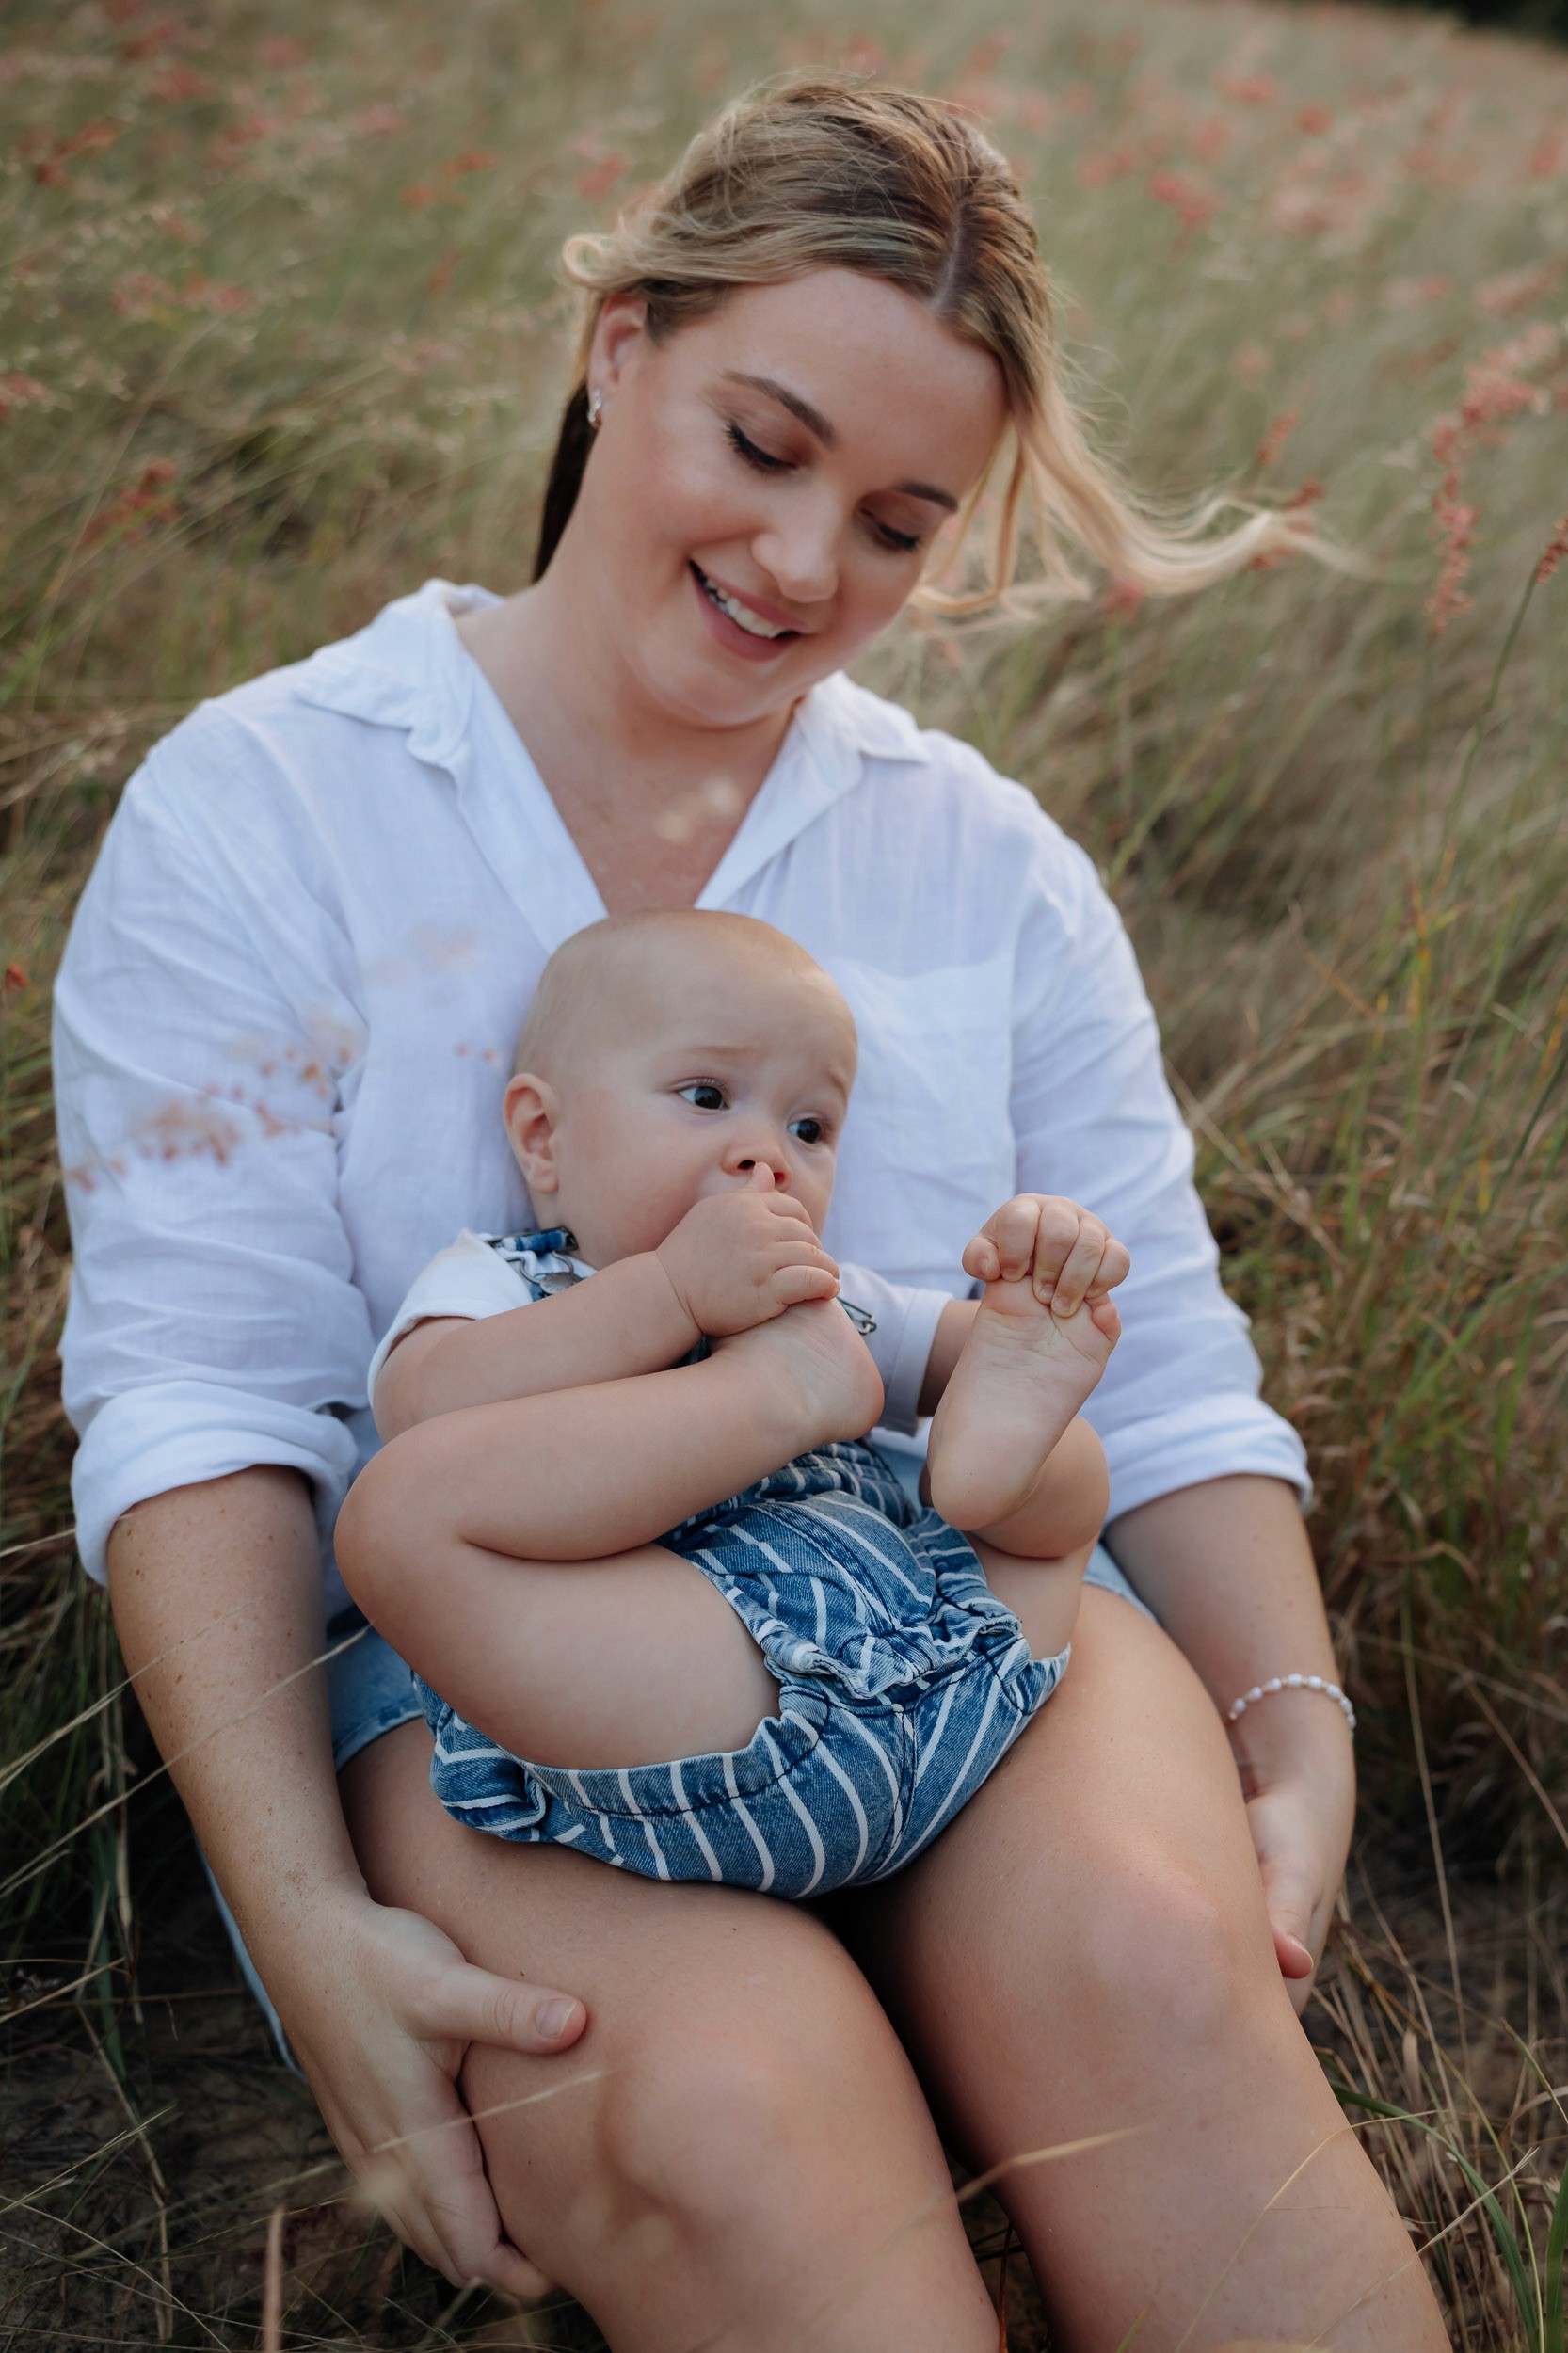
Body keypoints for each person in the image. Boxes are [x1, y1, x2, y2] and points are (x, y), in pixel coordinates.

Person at [53, 72, 1450, 2353]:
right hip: (520, 1662)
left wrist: (1296, 1717)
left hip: (959, 1576)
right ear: (620, 350)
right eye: (762, 444)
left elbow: (1167, 1360)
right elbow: (200, 1398)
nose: (811, 569)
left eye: (900, 521)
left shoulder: (981, 861)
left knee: (1144, 1969)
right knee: (723, 2120)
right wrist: (298, 1917)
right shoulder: (264, 807)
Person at [337, 909, 1126, 1894]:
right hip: (716, 1710)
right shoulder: (506, 1285)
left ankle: (985, 1469)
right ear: (544, 1136)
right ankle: (779, 1400)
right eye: (706, 1095)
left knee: (1065, 1468)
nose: (768, 1155)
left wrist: (1030, 1302)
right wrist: (667, 1295)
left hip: (961, 1673)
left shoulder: (824, 1293)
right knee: (400, 1508)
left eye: (809, 1127)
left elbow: (973, 1351)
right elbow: (423, 1408)